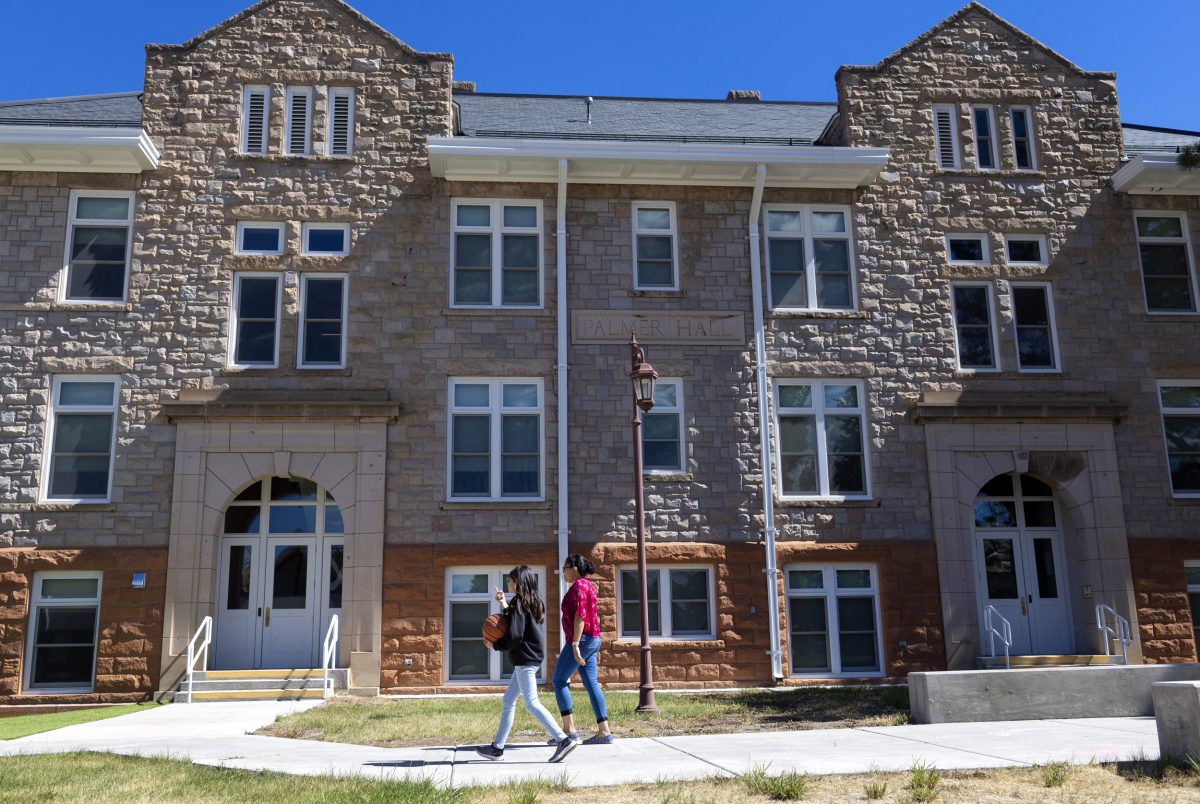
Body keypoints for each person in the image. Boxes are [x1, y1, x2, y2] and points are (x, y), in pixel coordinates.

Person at [475, 565, 578, 763]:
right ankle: (497, 748)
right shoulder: (530, 602)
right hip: (529, 658)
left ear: (519, 582)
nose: (508, 582)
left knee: (531, 703)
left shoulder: (520, 603)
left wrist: (494, 644)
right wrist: (505, 604)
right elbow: (517, 623)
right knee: (508, 701)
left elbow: (514, 635)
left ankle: (563, 740)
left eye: (510, 579)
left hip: (525, 660)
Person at [551, 554, 613, 745]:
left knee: (559, 680)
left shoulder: (578, 586)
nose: (563, 571)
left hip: (583, 640)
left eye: (565, 567)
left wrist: (576, 645)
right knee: (591, 683)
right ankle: (604, 732)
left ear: (574, 568)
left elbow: (580, 616)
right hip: (593, 639)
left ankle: (569, 731)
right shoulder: (588, 585)